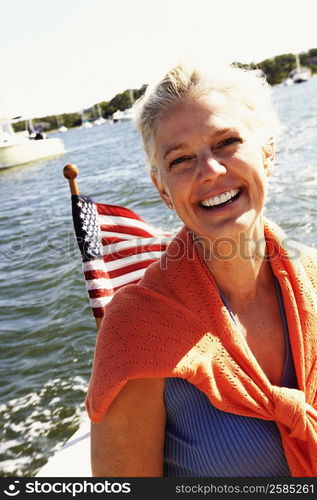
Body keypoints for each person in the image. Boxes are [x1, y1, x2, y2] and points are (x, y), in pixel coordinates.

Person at [85, 63, 317, 477]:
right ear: (164, 191)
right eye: (181, 159)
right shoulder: (137, 329)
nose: (209, 170)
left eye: (227, 141)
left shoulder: (314, 277)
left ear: (267, 152)